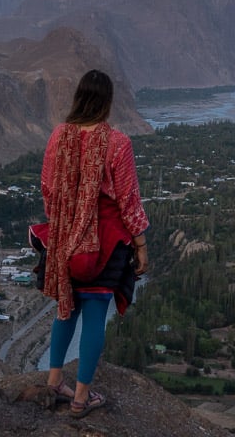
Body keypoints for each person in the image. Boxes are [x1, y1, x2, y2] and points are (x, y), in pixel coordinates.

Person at [40, 69, 149, 418]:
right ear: (107, 102)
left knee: (66, 307)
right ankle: (81, 398)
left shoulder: (58, 137)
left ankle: (55, 380)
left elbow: (48, 189)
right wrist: (141, 244)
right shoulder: (117, 143)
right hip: (104, 245)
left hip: (65, 242)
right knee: (94, 316)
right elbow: (128, 200)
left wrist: (65, 226)